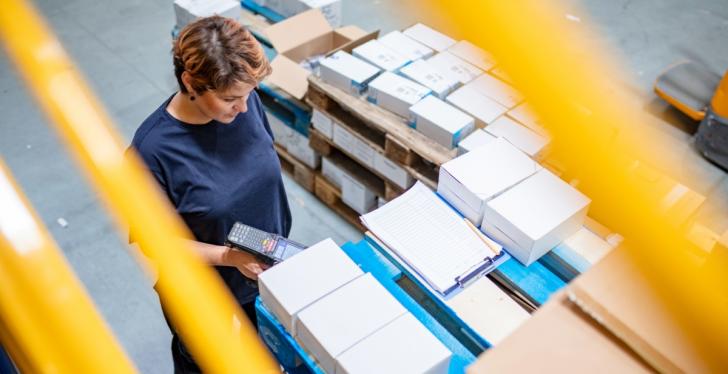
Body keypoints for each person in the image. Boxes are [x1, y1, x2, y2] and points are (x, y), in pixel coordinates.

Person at [129, 16, 291, 373]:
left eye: (248, 95)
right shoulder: (151, 153)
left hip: (264, 267)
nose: (244, 108)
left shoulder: (242, 105)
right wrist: (229, 258)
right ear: (191, 82)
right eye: (231, 99)